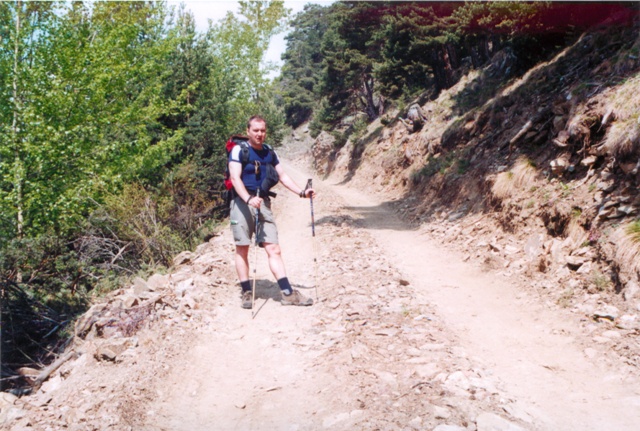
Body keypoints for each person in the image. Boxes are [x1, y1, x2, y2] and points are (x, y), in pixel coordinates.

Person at [228, 115, 316, 309]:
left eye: (263, 131)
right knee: (242, 247)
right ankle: (246, 291)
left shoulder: (269, 152)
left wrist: (302, 192)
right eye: (256, 130)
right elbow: (235, 178)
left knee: (273, 248)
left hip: (263, 204)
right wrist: (248, 199)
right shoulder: (238, 150)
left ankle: (287, 293)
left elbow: (282, 176)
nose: (260, 134)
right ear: (248, 131)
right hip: (242, 204)